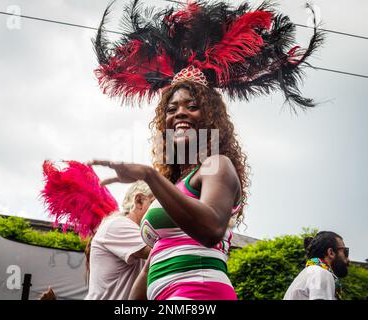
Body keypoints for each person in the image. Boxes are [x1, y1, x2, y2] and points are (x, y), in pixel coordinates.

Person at [91, 0, 323, 300]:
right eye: (171, 109)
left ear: (211, 118)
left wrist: (150, 176)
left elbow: (212, 228)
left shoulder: (217, 165)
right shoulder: (173, 186)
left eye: (193, 106)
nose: (180, 114)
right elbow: (153, 261)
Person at [84, 180, 154, 300]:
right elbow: (160, 250)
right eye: (156, 204)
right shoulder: (118, 225)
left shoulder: (138, 233)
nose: (163, 211)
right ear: (139, 201)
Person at [283, 231, 350, 300]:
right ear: (331, 253)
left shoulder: (310, 272)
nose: (348, 259)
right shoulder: (321, 273)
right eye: (345, 252)